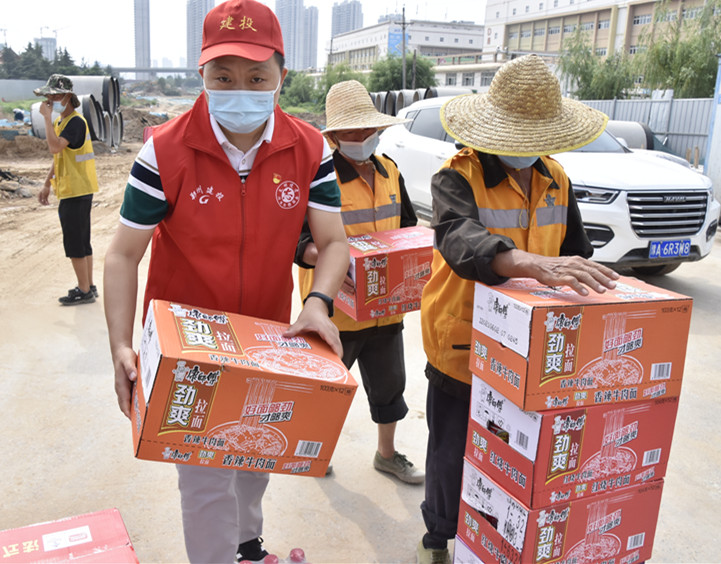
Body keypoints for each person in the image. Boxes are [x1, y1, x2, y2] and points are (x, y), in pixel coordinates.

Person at [103, 1, 349, 563]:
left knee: (254, 457)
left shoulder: (309, 149)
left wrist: (317, 302)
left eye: (257, 77)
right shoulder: (165, 150)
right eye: (224, 76)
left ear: (282, 75)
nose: (241, 89)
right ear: (203, 76)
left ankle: (247, 547)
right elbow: (122, 255)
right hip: (189, 348)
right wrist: (120, 344)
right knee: (205, 479)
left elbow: (334, 242)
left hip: (266, 340)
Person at [416, 54, 620, 564]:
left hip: (534, 347)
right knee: (452, 448)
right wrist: (530, 263)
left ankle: (494, 537)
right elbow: (459, 239)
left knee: (514, 447)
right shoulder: (457, 177)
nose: (529, 148)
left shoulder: (555, 177)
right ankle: (438, 537)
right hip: (464, 339)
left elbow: (575, 251)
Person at [296, 80, 424, 484]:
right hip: (335, 309)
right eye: (352, 131)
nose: (363, 137)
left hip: (386, 307)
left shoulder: (390, 172)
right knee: (327, 389)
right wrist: (338, 264)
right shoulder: (320, 178)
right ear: (334, 137)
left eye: (368, 128)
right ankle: (315, 454)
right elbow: (297, 242)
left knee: (391, 386)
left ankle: (387, 455)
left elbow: (407, 228)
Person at [34, 74, 99, 305]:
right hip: (75, 189)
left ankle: (83, 290)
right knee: (82, 239)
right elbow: (59, 156)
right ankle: (88, 285)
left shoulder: (75, 122)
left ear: (68, 97)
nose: (50, 101)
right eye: (48, 97)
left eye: (54, 96)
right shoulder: (62, 122)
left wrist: (45, 118)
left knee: (75, 242)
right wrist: (46, 183)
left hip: (76, 191)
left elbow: (54, 147)